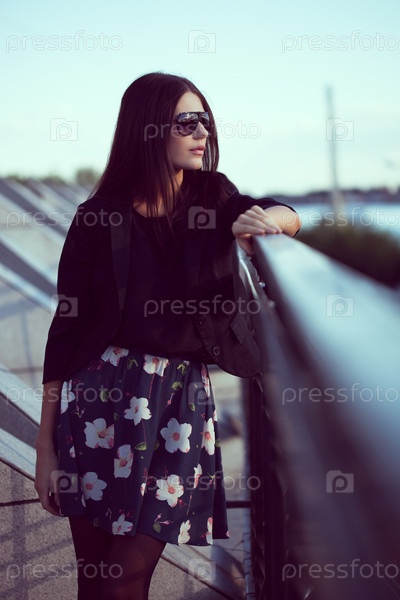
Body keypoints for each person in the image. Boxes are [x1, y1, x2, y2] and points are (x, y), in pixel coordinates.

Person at [35, 72, 300, 600]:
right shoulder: (97, 217)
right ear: (148, 129)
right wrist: (46, 448)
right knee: (96, 577)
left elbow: (289, 216)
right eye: (186, 122)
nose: (202, 132)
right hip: (97, 405)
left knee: (128, 576)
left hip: (177, 406)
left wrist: (261, 221)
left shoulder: (213, 197)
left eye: (204, 120)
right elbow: (65, 330)